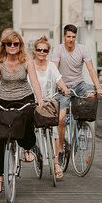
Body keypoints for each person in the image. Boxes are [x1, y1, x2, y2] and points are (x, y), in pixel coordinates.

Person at [0, 30, 44, 193]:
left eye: (15, 44)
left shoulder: (26, 60)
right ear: (4, 45)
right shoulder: (0, 60)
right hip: (4, 99)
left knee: (27, 121)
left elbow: (34, 81)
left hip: (24, 97)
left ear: (20, 45)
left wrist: (39, 99)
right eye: (9, 44)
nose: (12, 46)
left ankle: (27, 147)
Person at [48, 24, 102, 164]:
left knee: (91, 95)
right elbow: (54, 71)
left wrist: (98, 88)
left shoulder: (82, 49)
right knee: (61, 119)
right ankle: (60, 150)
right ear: (64, 37)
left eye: (73, 37)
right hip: (63, 87)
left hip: (79, 85)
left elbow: (91, 70)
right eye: (68, 37)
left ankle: (81, 124)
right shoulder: (58, 50)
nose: (71, 40)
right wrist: (61, 87)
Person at [32, 35, 69, 179]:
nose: (42, 52)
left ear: (48, 52)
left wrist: (65, 89)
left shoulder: (51, 66)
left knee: (53, 131)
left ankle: (55, 163)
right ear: (34, 51)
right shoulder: (29, 65)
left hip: (48, 102)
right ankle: (29, 149)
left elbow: (58, 79)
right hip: (33, 101)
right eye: (39, 50)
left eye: (45, 50)